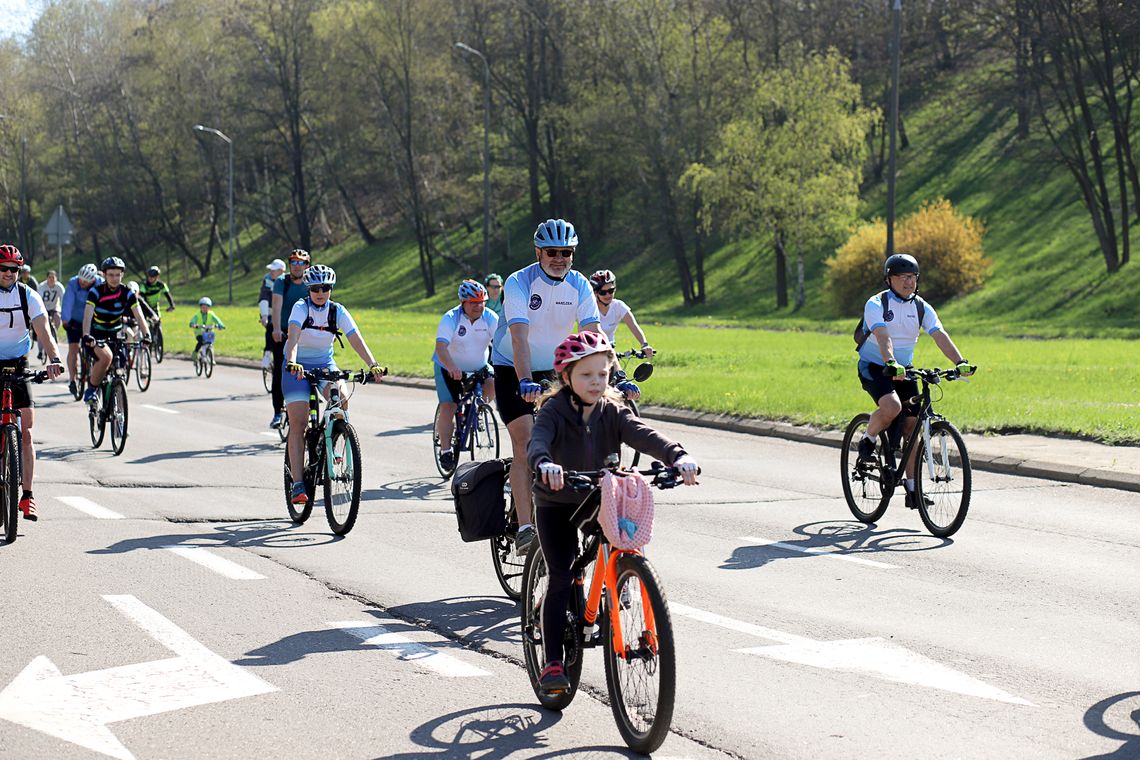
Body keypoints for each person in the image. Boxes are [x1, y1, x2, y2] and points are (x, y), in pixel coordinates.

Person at [527, 330, 698, 695]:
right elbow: (537, 442)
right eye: (586, 374)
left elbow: (644, 434)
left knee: (623, 544)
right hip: (556, 501)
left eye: (602, 374)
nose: (596, 382)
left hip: (598, 496)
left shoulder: (612, 410)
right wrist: (544, 464)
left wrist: (677, 456)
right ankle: (553, 661)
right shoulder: (553, 410)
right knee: (562, 573)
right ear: (566, 376)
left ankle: (618, 589)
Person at [490, 218, 601, 553]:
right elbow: (520, 337)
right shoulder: (518, 282)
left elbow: (594, 335)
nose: (559, 258)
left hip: (556, 368)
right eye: (552, 252)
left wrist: (613, 374)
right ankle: (524, 527)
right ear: (538, 252)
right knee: (525, 445)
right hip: (514, 369)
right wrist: (525, 381)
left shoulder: (579, 284)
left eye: (566, 252)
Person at [855, 253, 976, 508]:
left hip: (904, 369)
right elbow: (883, 336)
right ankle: (868, 438)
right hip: (876, 366)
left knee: (912, 426)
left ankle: (913, 490)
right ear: (889, 280)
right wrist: (890, 361)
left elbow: (939, 334)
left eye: (912, 277)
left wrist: (959, 362)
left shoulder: (921, 306)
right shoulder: (876, 304)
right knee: (892, 407)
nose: (908, 282)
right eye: (901, 277)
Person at [283, 265, 384, 505]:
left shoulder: (337, 311)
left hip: (325, 364)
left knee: (342, 400)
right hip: (297, 367)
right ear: (309, 289)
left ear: (331, 289)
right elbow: (293, 338)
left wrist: (373, 364)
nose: (320, 292)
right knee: (298, 421)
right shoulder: (301, 308)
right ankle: (298, 484)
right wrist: (292, 362)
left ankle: (334, 442)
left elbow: (355, 339)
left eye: (325, 288)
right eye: (316, 288)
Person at [0, 245, 64, 521]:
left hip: (18, 363)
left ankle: (27, 496)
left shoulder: (28, 295)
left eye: (14, 269)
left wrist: (54, 357)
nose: (9, 274)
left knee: (26, 431)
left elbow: (43, 329)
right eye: (3, 268)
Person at [433, 279, 498, 471]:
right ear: (463, 302)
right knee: (448, 406)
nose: (478, 306)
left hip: (479, 366)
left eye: (481, 302)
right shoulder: (451, 318)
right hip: (448, 367)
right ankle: (445, 450)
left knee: (493, 383)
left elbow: (503, 343)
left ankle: (477, 410)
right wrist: (452, 366)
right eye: (473, 302)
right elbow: (441, 347)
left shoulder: (490, 318)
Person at [81, 257, 151, 403]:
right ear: (105, 275)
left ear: (122, 275)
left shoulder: (128, 293)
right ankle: (92, 390)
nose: (114, 278)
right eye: (111, 275)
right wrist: (86, 335)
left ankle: (115, 393)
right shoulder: (96, 291)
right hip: (96, 334)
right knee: (106, 357)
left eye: (118, 275)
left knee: (121, 363)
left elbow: (139, 314)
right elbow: (87, 315)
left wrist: (146, 335)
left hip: (115, 333)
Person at [270, 249, 312, 429]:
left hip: (306, 332)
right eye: (293, 262)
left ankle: (311, 410)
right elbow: (277, 307)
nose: (297, 266)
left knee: (313, 370)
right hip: (283, 331)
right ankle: (278, 412)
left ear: (307, 265)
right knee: (281, 370)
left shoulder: (312, 282)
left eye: (301, 263)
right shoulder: (282, 282)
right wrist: (277, 328)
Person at [588, 269, 655, 357]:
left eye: (611, 291)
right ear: (595, 293)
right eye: (603, 292)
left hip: (610, 350)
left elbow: (634, 326)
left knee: (618, 371)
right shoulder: (589, 308)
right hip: (591, 351)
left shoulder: (618, 306)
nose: (608, 295)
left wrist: (644, 344)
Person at [61, 263, 103, 397]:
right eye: (81, 279)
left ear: (93, 279)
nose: (82, 282)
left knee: (95, 348)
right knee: (73, 349)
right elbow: (68, 301)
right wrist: (65, 319)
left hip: (92, 321)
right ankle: (73, 379)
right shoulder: (73, 283)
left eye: (85, 281)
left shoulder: (100, 283)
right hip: (75, 320)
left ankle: (94, 374)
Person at [259, 259, 286, 371]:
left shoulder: (288, 281)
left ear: (281, 271)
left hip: (286, 313)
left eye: (274, 270)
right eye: (271, 270)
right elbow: (264, 298)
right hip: (270, 312)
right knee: (271, 327)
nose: (271, 272)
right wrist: (264, 315)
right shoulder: (268, 280)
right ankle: (267, 352)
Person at [37, 270, 66, 363]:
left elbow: (64, 299)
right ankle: (40, 351)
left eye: (53, 277)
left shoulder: (59, 286)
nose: (51, 279)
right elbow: (39, 299)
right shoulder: (42, 286)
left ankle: (54, 332)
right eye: (50, 277)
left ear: (56, 278)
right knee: (41, 329)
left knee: (58, 318)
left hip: (54, 307)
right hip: (44, 308)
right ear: (47, 278)